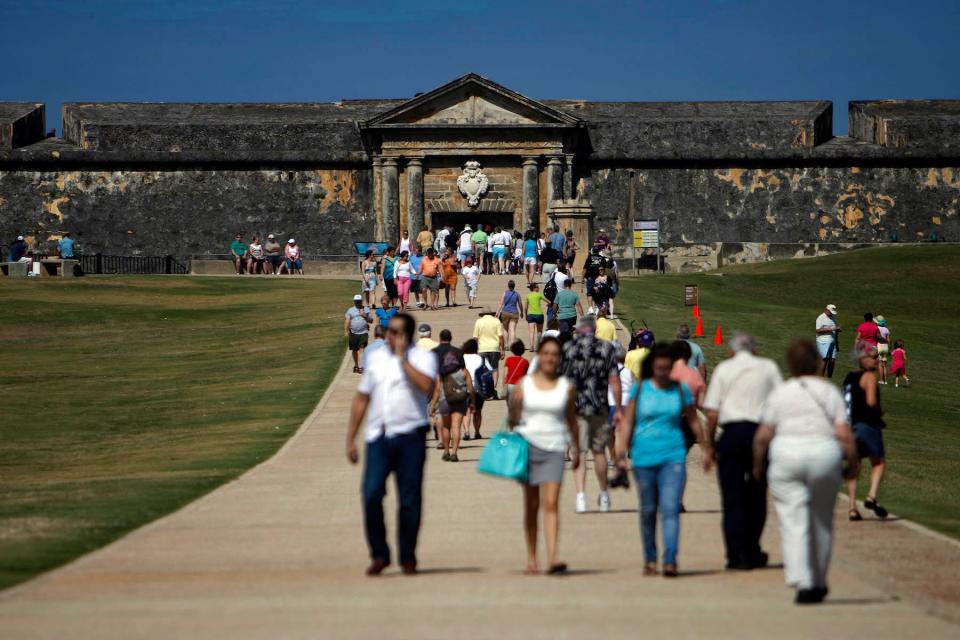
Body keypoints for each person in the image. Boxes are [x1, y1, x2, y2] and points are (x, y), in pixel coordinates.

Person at [752, 338, 859, 604]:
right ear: (817, 362)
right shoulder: (828, 391)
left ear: (790, 363)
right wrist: (853, 462)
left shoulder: (781, 392)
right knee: (821, 521)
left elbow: (763, 436)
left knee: (793, 521)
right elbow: (844, 434)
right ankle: (818, 580)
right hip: (824, 454)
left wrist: (757, 464)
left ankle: (801, 576)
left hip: (787, 455)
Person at [347, 313, 437, 576]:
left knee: (409, 499)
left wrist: (402, 360)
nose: (390, 336)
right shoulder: (375, 358)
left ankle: (407, 556)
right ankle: (380, 553)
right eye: (389, 331)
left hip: (411, 435)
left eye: (396, 332)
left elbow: (426, 386)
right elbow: (362, 398)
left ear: (407, 336)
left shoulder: (422, 357)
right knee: (371, 494)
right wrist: (350, 437)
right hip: (379, 436)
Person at [616, 344, 707, 577]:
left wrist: (707, 448)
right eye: (659, 368)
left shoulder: (679, 391)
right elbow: (627, 422)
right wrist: (621, 454)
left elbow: (694, 421)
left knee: (669, 508)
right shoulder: (640, 389)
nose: (663, 373)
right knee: (648, 510)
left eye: (667, 368)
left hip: (673, 455)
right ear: (651, 367)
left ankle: (670, 559)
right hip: (644, 456)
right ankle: (650, 557)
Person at [703, 331, 783, 570]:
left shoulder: (724, 369)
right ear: (755, 349)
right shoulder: (767, 367)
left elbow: (712, 413)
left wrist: (709, 445)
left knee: (731, 497)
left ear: (732, 350)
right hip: (760, 434)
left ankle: (734, 553)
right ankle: (751, 548)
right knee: (757, 494)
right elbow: (780, 402)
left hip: (732, 434)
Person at [508, 335, 580, 575]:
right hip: (528, 447)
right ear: (539, 356)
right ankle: (531, 558)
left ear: (560, 359)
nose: (550, 358)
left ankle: (552, 557)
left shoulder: (566, 387)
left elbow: (571, 420)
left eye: (555, 354)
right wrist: (515, 409)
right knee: (531, 505)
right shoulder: (524, 385)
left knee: (551, 504)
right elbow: (513, 420)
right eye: (546, 353)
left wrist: (576, 447)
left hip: (555, 448)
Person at [563, 315, 621, 513]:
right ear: (595, 329)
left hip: (576, 408)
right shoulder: (607, 348)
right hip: (600, 407)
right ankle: (604, 494)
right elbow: (615, 381)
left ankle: (580, 496)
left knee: (578, 452)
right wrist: (619, 408)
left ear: (579, 329)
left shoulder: (569, 348)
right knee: (599, 453)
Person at [843, 344, 889, 521]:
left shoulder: (849, 377)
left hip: (850, 425)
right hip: (868, 425)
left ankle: (852, 508)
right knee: (878, 462)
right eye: (875, 357)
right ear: (864, 359)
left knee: (855, 466)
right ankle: (871, 496)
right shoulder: (869, 376)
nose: (878, 360)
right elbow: (870, 401)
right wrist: (879, 411)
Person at [433, 331, 474, 462]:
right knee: (456, 426)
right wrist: (472, 401)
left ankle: (446, 451)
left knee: (446, 426)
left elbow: (437, 389)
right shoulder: (464, 370)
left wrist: (433, 405)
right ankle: (455, 453)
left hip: (445, 399)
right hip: (460, 399)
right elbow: (471, 388)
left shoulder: (442, 373)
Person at [463, 339, 492, 441]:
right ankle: (477, 432)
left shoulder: (461, 358)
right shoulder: (482, 358)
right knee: (477, 411)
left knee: (466, 411)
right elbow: (490, 371)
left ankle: (466, 431)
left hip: (465, 388)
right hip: (479, 388)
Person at [473, 307, 504, 396]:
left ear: (482, 314)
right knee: (494, 369)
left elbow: (475, 337)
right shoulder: (496, 321)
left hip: (482, 349)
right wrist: (502, 349)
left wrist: (475, 350)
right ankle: (492, 389)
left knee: (483, 370)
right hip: (495, 348)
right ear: (491, 314)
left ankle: (484, 389)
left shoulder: (479, 321)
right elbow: (500, 336)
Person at [345, 294, 372, 373]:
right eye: (356, 301)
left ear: (361, 301)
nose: (357, 303)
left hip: (363, 332)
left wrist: (365, 316)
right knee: (354, 350)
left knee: (362, 349)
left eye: (359, 301)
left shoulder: (366, 309)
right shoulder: (350, 310)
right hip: (353, 333)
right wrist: (346, 330)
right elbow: (347, 320)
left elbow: (371, 321)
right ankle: (356, 365)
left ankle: (361, 366)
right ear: (354, 301)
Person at [815, 304, 840, 378]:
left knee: (832, 360)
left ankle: (829, 378)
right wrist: (831, 329)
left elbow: (835, 329)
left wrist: (837, 342)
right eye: (831, 312)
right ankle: (820, 378)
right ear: (826, 310)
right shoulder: (821, 318)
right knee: (824, 360)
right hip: (823, 342)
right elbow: (818, 330)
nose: (832, 313)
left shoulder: (834, 317)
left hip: (833, 342)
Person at [496, 279, 523, 346]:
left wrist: (497, 312)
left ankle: (506, 345)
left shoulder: (505, 293)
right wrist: (522, 312)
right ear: (514, 286)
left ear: (508, 286)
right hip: (514, 312)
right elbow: (520, 304)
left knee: (505, 329)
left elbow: (501, 303)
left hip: (505, 312)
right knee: (512, 329)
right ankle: (512, 344)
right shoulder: (517, 294)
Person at [503, 340, 529, 404]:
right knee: (519, 406)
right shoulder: (525, 361)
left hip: (509, 385)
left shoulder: (508, 360)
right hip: (520, 386)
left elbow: (505, 375)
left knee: (510, 406)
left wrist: (504, 385)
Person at [524, 282, 547, 350]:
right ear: (535, 288)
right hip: (539, 314)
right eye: (537, 287)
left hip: (531, 315)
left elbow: (525, 307)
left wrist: (526, 315)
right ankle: (538, 346)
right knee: (539, 332)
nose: (539, 288)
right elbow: (548, 301)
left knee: (531, 332)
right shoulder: (539, 295)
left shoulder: (528, 296)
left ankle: (531, 347)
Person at [875, 315, 891, 385]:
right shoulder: (886, 329)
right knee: (884, 365)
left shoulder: (876, 328)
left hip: (879, 346)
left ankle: (881, 380)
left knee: (880, 364)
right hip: (886, 347)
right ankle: (886, 381)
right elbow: (888, 340)